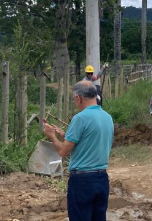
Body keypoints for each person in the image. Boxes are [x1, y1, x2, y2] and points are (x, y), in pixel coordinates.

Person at [44, 81, 114, 221]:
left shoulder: (80, 118)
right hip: (102, 180)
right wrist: (65, 135)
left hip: (82, 181)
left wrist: (52, 136)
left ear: (79, 98)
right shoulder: (107, 117)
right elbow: (89, 140)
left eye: (74, 99)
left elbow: (63, 152)